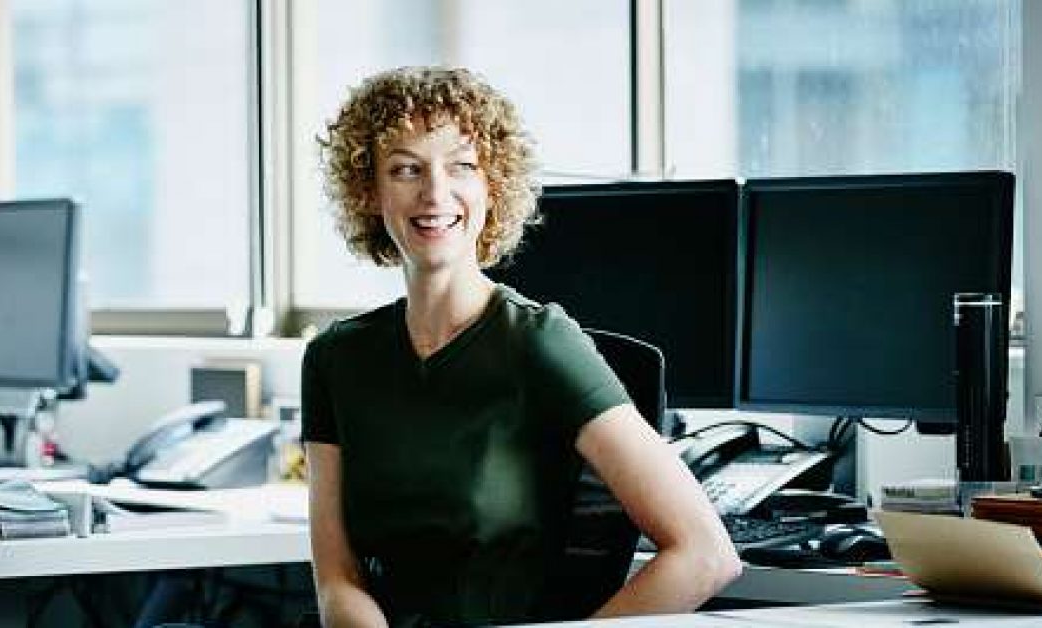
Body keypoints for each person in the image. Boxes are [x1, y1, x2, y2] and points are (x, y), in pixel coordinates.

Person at [302, 66, 740, 627]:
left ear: (493, 186)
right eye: (406, 169)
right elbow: (338, 579)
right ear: (369, 191)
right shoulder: (336, 358)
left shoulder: (539, 342)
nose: (435, 192)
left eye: (461, 166)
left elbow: (706, 554)